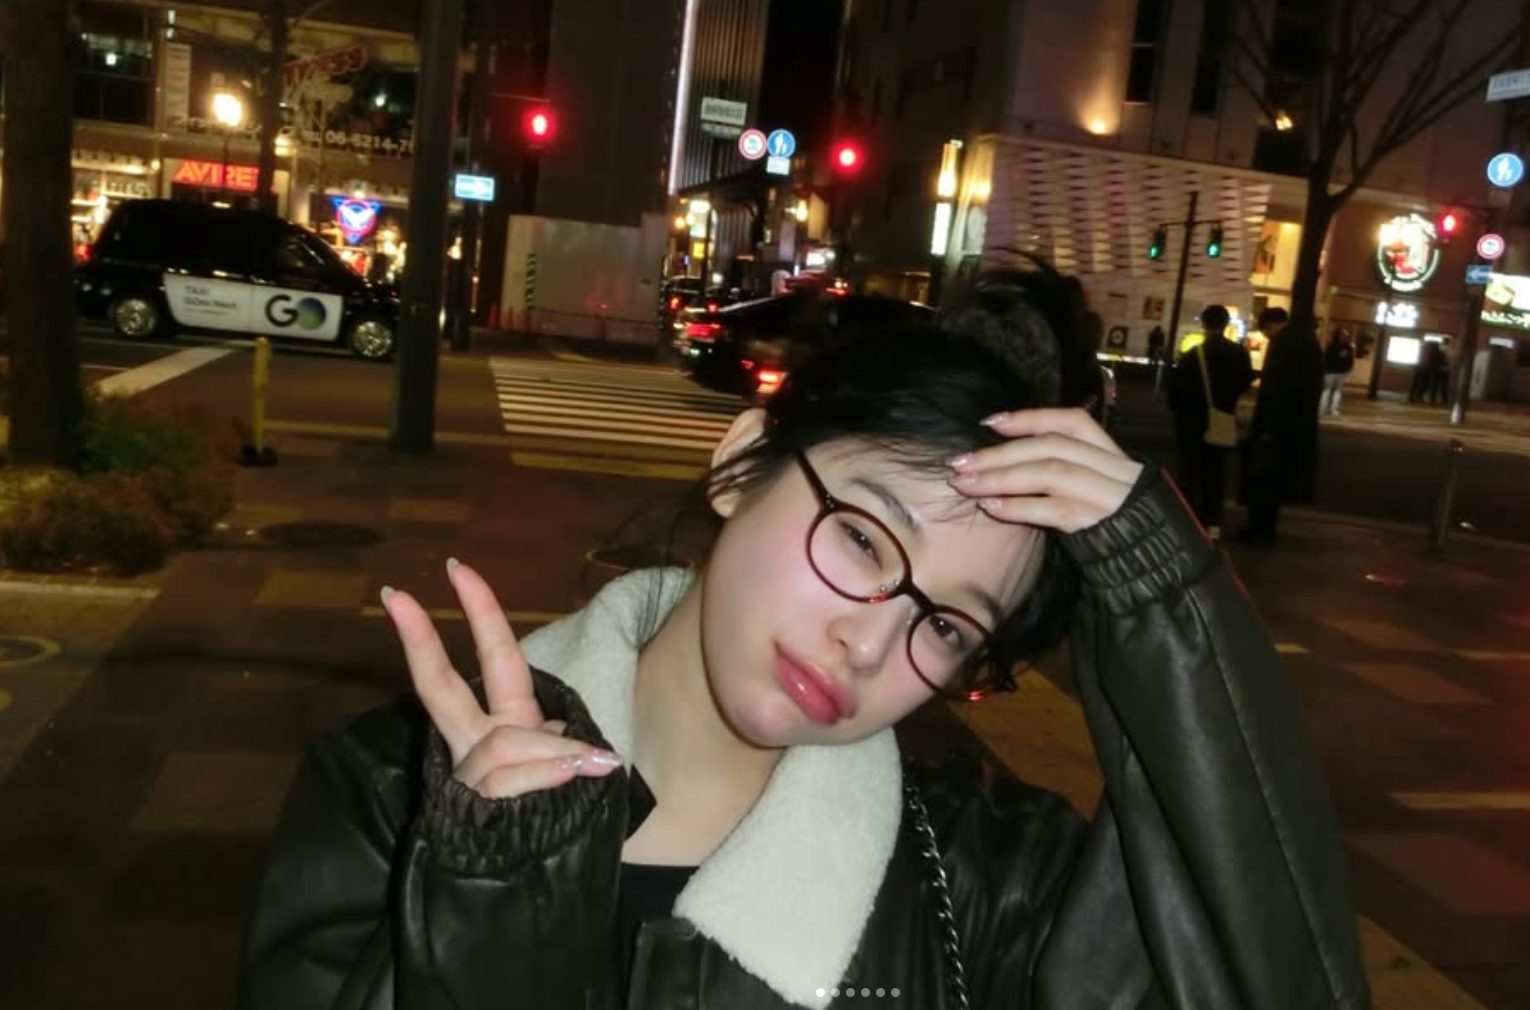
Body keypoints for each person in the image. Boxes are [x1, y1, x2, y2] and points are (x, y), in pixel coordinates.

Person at [239, 265, 1368, 1010]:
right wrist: (487, 909)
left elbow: (1264, 973)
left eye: (944, 623)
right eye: (868, 540)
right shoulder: (390, 793)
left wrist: (1170, 596)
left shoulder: (985, 875)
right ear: (740, 465)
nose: (871, 645)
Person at [1165, 305, 1252, 541]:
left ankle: (1188, 521)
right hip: (1222, 419)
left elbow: (1175, 392)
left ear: (1204, 324)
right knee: (1216, 473)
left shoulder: (1193, 355)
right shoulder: (1238, 353)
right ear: (1226, 324)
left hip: (1192, 422)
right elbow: (1245, 381)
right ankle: (1213, 523)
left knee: (1190, 472)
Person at [1238, 306, 1322, 546]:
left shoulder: (1283, 345)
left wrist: (1264, 430)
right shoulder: (1308, 343)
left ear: (1271, 325)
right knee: (1275, 484)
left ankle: (1259, 530)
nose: (1266, 337)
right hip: (1294, 428)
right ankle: (1267, 529)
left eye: (1265, 331)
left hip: (1273, 429)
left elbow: (1272, 392)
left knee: (1262, 480)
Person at [1320, 327, 1354, 416]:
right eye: (1343, 335)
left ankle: (1327, 409)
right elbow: (1349, 360)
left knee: (1333, 391)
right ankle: (1328, 409)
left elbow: (1350, 360)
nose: (1345, 337)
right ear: (1338, 336)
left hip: (1335, 372)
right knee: (1331, 391)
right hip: (1333, 372)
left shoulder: (1333, 346)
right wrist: (1348, 368)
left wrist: (1348, 369)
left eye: (1346, 335)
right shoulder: (1342, 347)